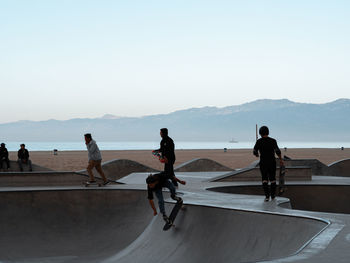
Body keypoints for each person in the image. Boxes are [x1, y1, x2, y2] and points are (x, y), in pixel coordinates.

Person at [253, 126, 284, 202]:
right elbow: (278, 151)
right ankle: (273, 196)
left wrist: (257, 154)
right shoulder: (273, 141)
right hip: (272, 162)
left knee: (264, 179)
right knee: (273, 179)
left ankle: (267, 196)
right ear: (268, 132)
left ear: (260, 133)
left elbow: (254, 151)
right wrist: (280, 159)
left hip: (263, 162)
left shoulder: (259, 141)